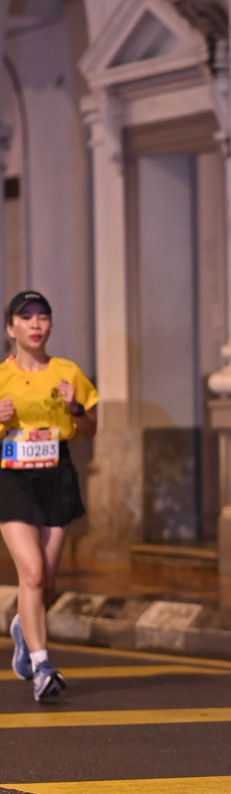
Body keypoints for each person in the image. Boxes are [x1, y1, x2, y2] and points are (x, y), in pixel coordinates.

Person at [0, 290, 99, 702]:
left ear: (51, 325)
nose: (36, 324)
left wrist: (76, 409)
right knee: (33, 574)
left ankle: (24, 627)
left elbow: (90, 428)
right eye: (26, 317)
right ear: (11, 328)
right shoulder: (1, 377)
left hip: (56, 474)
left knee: (47, 582)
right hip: (12, 477)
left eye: (42, 316)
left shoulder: (67, 372)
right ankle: (42, 666)